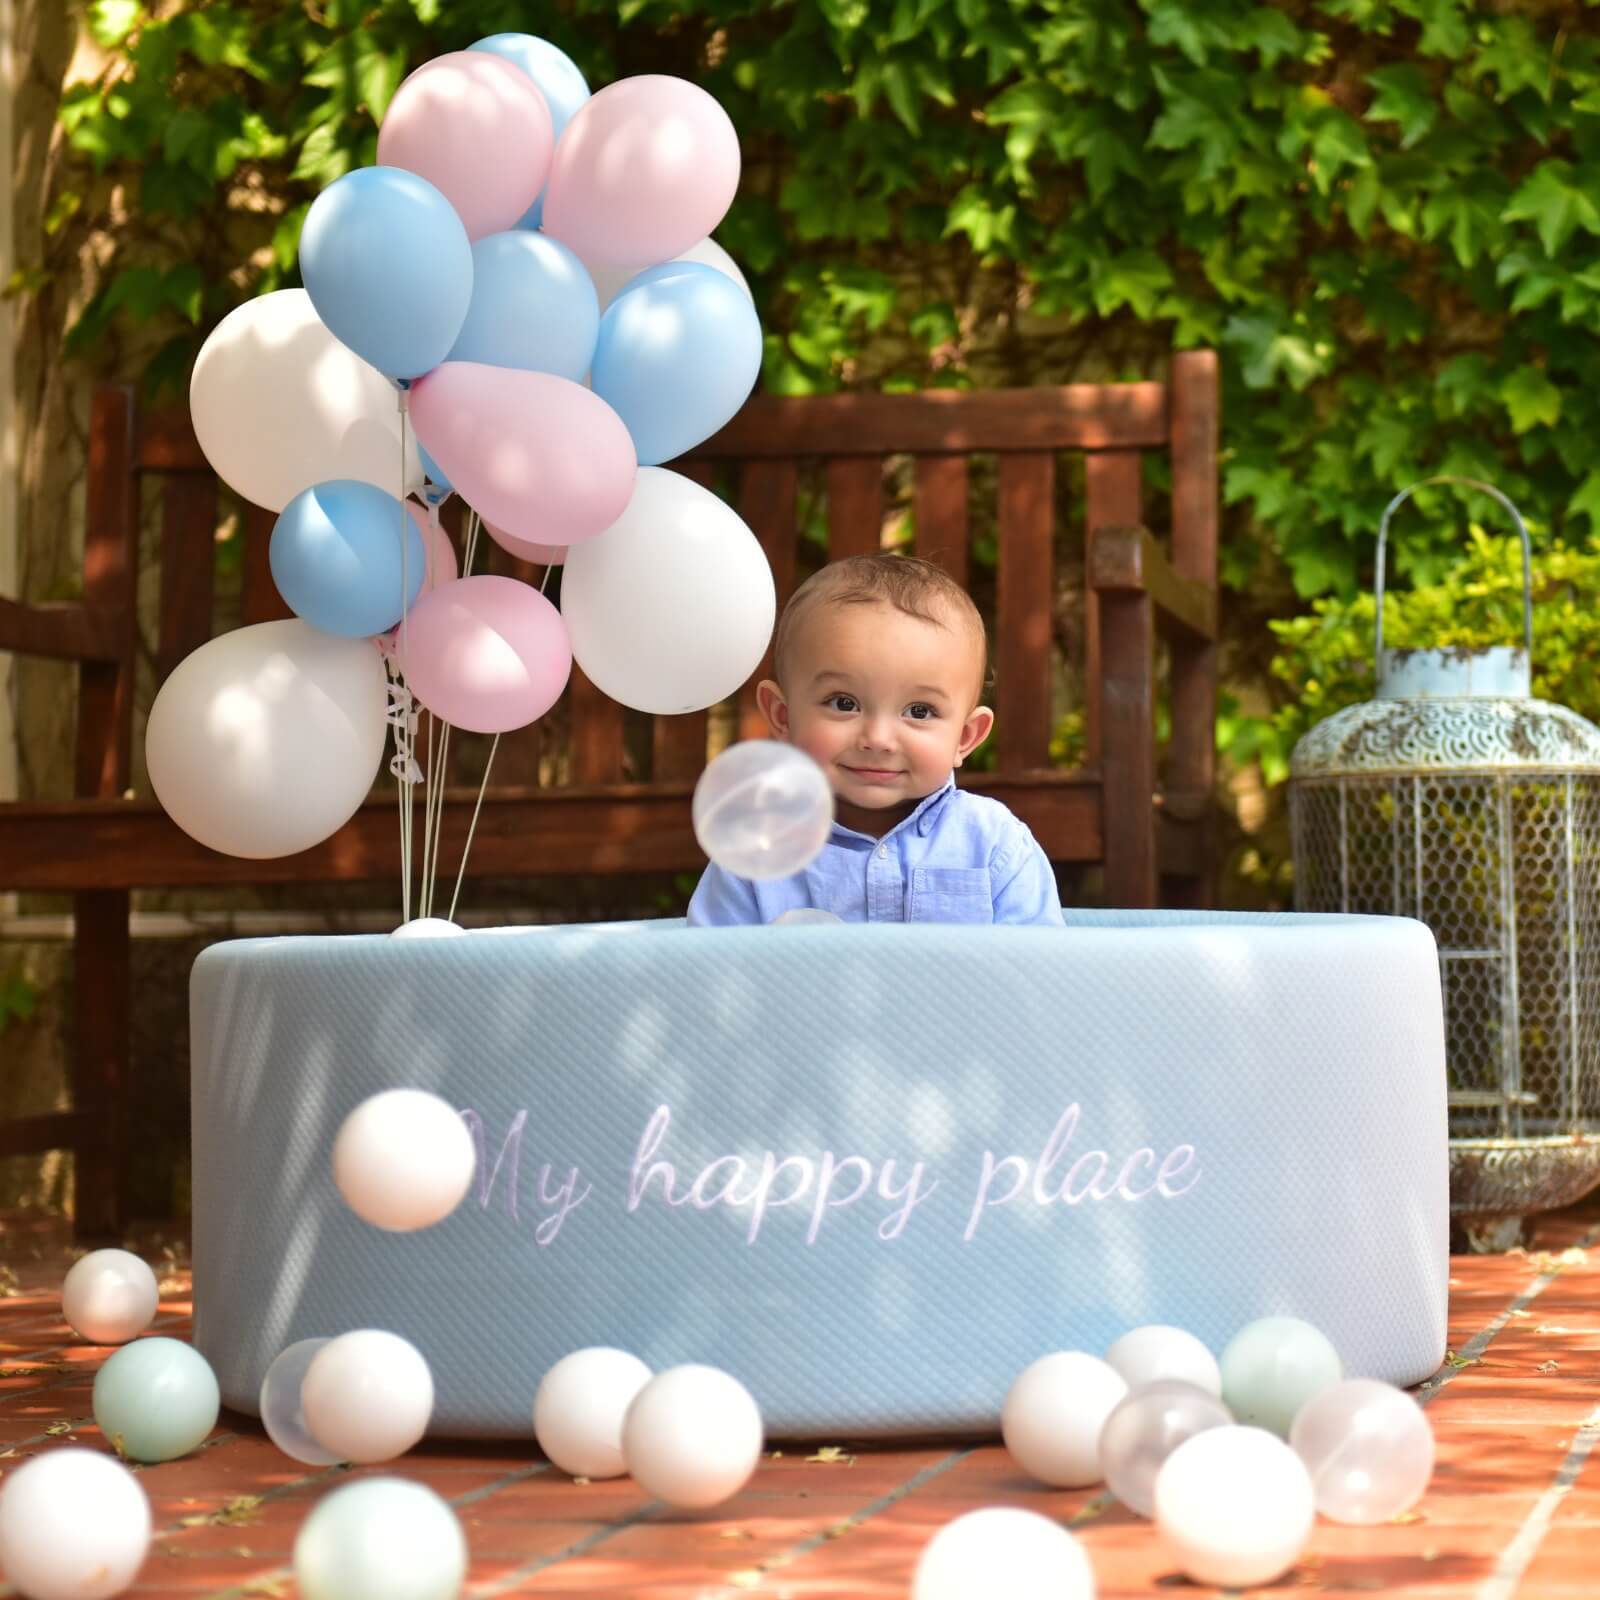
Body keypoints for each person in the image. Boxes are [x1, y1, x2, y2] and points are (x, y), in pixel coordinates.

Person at [687, 552, 1066, 926]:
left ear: (966, 738)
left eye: (919, 711)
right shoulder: (755, 851)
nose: (879, 739)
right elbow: (708, 974)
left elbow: (1039, 974)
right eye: (844, 703)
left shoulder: (993, 844)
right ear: (782, 716)